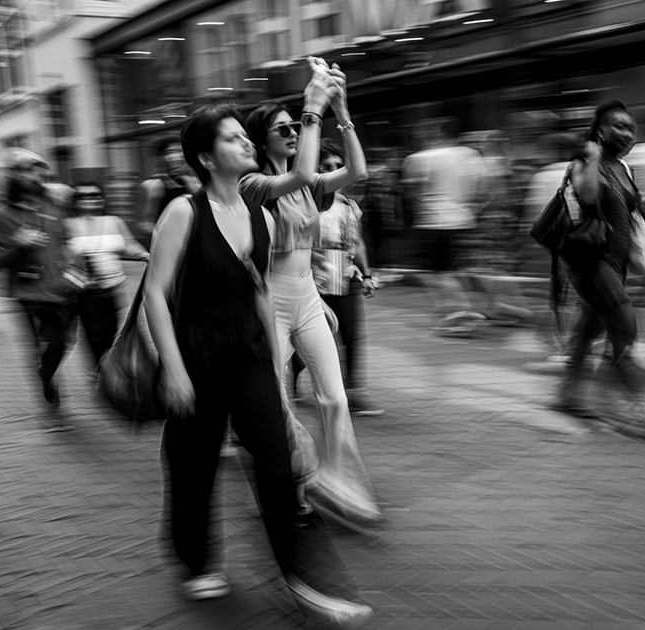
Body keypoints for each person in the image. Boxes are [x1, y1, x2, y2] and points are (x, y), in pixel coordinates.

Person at [144, 104, 372, 626]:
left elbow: (260, 292)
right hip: (197, 355)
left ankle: (306, 579)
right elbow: (156, 294)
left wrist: (271, 362)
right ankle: (196, 559)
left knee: (278, 464)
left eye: (243, 136)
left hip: (249, 353)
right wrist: (173, 369)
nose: (245, 142)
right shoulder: (184, 212)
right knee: (194, 463)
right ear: (206, 158)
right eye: (231, 139)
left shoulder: (258, 215)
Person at [241, 58, 381, 524]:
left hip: (305, 296)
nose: (292, 132)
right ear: (261, 140)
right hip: (269, 302)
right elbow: (299, 174)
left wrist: (341, 109)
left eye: (294, 127)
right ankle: (292, 485)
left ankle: (339, 483)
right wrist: (311, 106)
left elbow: (358, 170)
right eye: (282, 129)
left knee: (335, 398)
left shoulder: (310, 187)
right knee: (276, 403)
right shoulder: (253, 184)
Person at [553, 100, 645, 439]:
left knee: (589, 331)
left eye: (633, 129)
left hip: (617, 263)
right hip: (591, 262)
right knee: (624, 333)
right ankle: (634, 412)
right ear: (601, 131)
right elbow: (587, 197)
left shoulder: (624, 167)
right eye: (621, 127)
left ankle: (567, 396)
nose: (629, 134)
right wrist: (593, 154)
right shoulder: (583, 162)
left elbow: (629, 206)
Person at [0, 148, 79, 430]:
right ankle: (48, 386)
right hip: (28, 292)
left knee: (64, 342)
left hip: (64, 287)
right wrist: (19, 244)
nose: (36, 176)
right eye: (27, 170)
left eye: (40, 170)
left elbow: (70, 240)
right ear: (13, 174)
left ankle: (45, 369)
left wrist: (76, 269)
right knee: (45, 344)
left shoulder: (55, 203)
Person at [291, 139, 383, 417]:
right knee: (312, 337)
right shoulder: (303, 204)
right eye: (326, 167)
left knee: (352, 337)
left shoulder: (350, 206)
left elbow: (358, 243)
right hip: (313, 281)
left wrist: (366, 275)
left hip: (346, 278)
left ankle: (354, 393)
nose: (334, 171)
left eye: (338, 166)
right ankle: (292, 376)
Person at [401, 117, 486, 336]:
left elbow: (413, 191)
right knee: (455, 271)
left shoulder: (420, 158)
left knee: (438, 273)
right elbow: (482, 188)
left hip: (434, 222)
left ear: (438, 133)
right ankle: (452, 314)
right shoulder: (471, 155)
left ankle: (463, 311)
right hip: (465, 221)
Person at [65, 182, 148, 368]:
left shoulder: (114, 221)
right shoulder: (67, 224)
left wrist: (145, 255)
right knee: (97, 340)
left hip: (112, 290)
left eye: (94, 195)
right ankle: (102, 374)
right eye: (82, 196)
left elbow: (129, 244)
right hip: (85, 292)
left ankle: (105, 372)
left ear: (102, 199)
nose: (89, 199)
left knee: (110, 335)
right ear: (74, 201)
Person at [133, 139, 201, 248]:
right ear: (161, 158)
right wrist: (172, 240)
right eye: (169, 152)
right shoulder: (154, 185)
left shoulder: (196, 181)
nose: (175, 156)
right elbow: (144, 224)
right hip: (172, 246)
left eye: (179, 151)